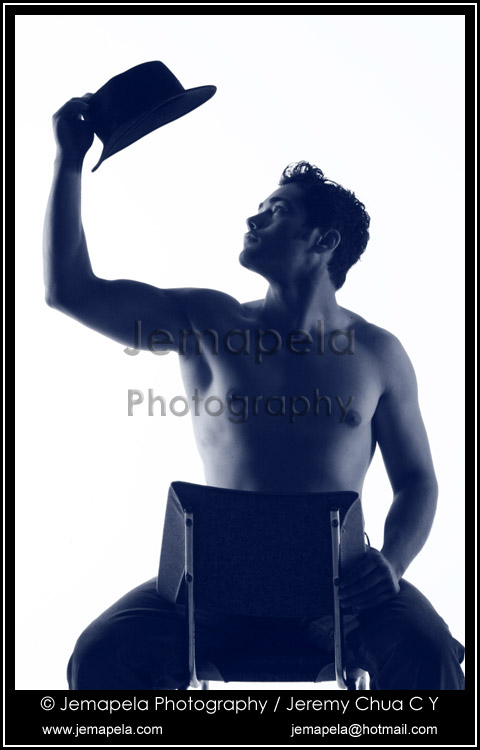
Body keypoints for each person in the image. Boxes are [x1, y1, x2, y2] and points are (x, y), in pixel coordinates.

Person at [44, 95, 465, 690]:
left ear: (324, 240)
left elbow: (418, 481)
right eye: (259, 208)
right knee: (101, 655)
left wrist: (391, 562)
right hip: (212, 590)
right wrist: (68, 161)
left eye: (277, 211)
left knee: (429, 655)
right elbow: (70, 291)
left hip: (339, 591)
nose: (253, 219)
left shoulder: (378, 353)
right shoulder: (206, 322)